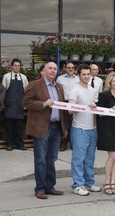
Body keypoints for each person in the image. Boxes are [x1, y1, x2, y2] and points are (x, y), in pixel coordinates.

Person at [23, 62, 68, 199]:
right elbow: (26, 103)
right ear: (44, 71)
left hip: (56, 127)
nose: (53, 71)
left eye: (55, 69)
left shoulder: (59, 87)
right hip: (42, 127)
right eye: (50, 68)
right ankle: (40, 188)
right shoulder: (34, 85)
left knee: (52, 158)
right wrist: (43, 104)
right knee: (41, 159)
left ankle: (50, 186)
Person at [68, 64, 101, 196]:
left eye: (88, 74)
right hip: (79, 129)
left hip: (92, 129)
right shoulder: (75, 90)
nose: (87, 76)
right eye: (84, 74)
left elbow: (95, 110)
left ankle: (89, 182)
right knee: (78, 158)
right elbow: (70, 110)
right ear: (79, 75)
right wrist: (85, 106)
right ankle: (77, 185)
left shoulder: (93, 90)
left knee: (89, 159)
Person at [97, 72, 115, 195]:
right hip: (108, 129)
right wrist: (110, 110)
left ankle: (113, 182)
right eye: (114, 81)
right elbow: (100, 113)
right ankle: (106, 182)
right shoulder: (104, 95)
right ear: (109, 82)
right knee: (112, 156)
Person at [2, 58, 29, 151]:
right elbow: (3, 91)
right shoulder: (6, 77)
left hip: (19, 106)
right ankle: (9, 144)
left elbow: (27, 92)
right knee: (9, 126)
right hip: (9, 105)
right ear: (11, 66)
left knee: (19, 127)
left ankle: (20, 144)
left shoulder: (24, 77)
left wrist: (26, 105)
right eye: (15, 65)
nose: (17, 67)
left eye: (18, 66)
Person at [57, 62, 79, 151]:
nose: (71, 69)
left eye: (72, 68)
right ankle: (63, 144)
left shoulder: (77, 79)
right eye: (69, 68)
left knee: (73, 124)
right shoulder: (60, 79)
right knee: (63, 124)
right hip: (64, 102)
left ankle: (73, 143)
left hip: (74, 103)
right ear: (65, 69)